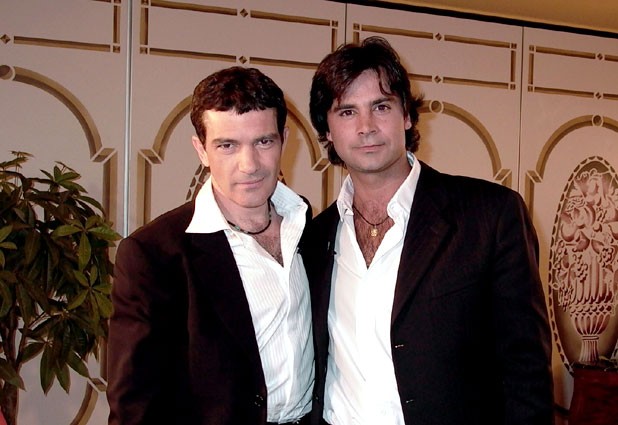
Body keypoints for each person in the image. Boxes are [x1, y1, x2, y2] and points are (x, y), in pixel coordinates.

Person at [302, 36, 554, 425]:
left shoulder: (490, 215)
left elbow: (526, 370)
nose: (366, 127)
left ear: (406, 115)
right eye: (347, 112)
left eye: (381, 106)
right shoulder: (314, 238)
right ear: (328, 131)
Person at [107, 66, 314, 425]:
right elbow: (133, 406)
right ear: (201, 150)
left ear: (284, 139)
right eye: (227, 145)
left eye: (263, 142)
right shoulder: (154, 254)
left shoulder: (308, 224)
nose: (249, 165)